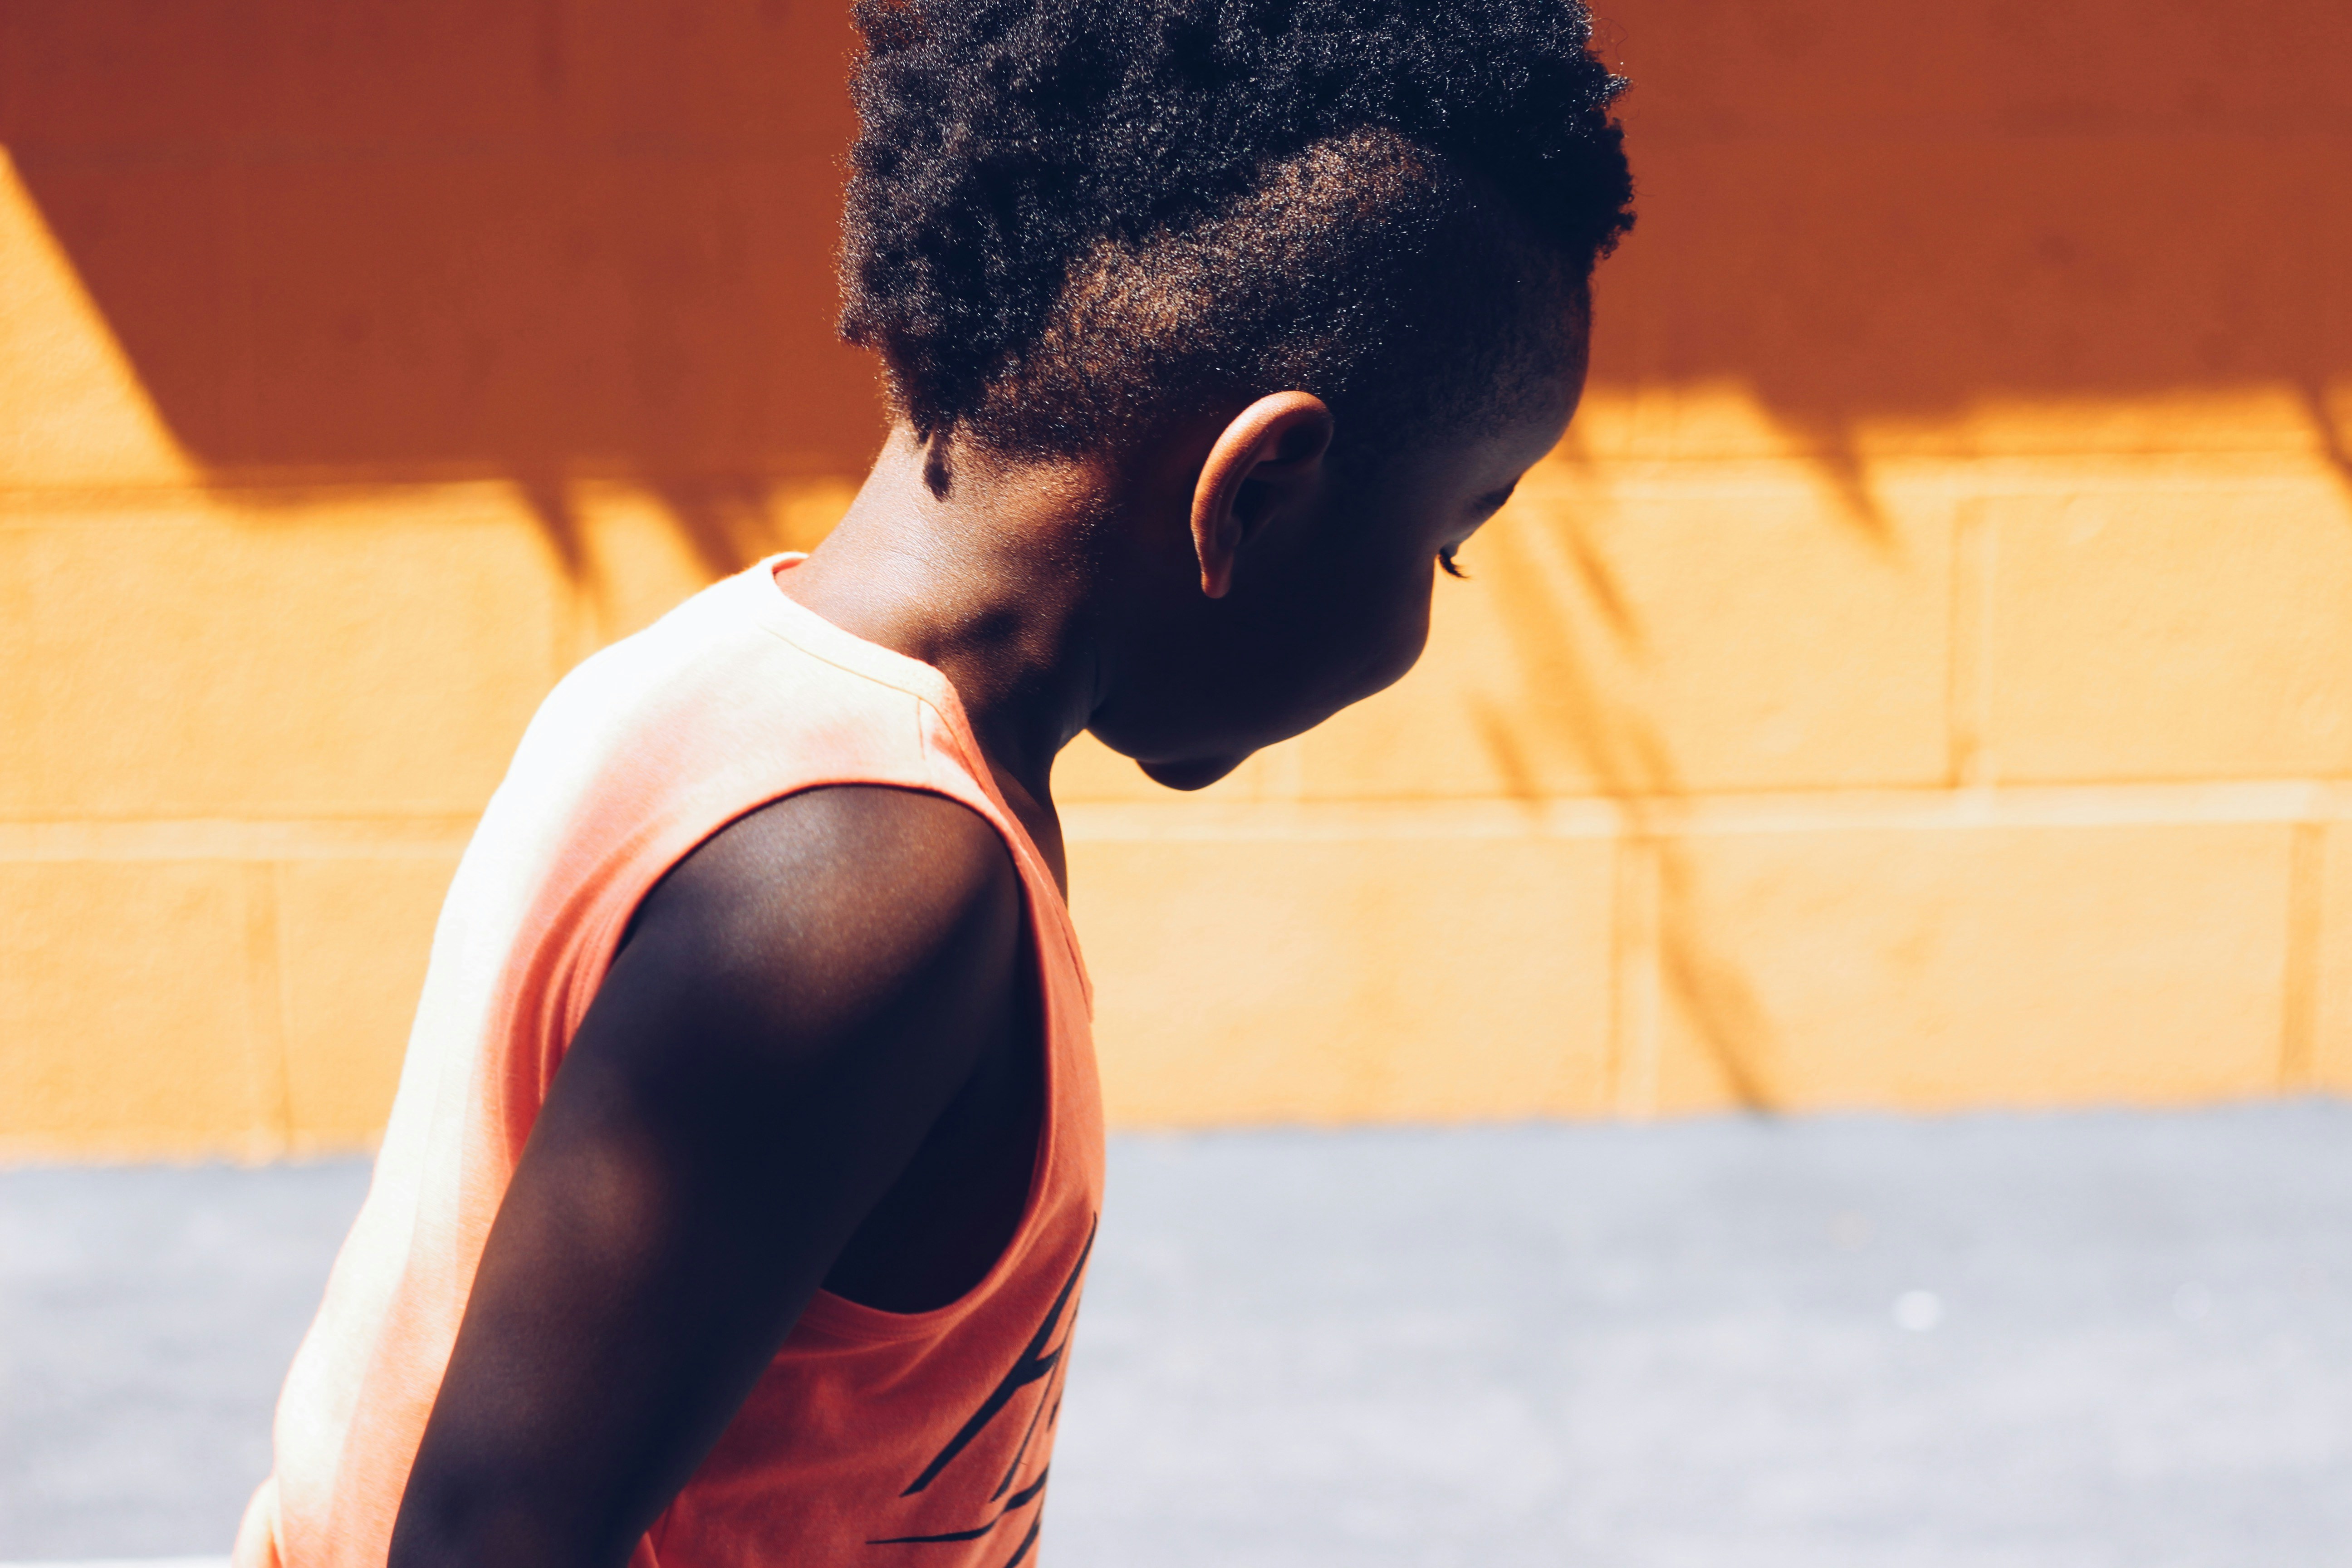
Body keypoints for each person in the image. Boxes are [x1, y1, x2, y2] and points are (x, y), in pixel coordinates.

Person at [234, 0, 1633, 1563]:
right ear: (1258, 491)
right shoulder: (867, 878)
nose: (1430, 610)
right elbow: (487, 1539)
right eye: (1451, 536)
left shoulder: (722, 684)